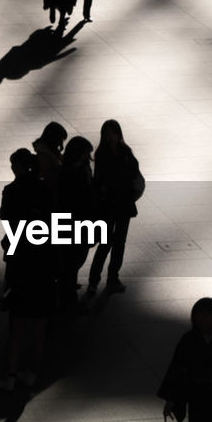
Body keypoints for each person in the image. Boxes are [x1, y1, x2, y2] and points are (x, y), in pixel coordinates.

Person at [0, 148, 54, 391]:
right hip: (41, 272)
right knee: (39, 328)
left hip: (19, 270)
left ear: (18, 166)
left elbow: (4, 217)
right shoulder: (43, 189)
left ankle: (11, 374)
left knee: (17, 327)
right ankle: (32, 371)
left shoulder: (11, 191)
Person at [86, 119, 141, 297]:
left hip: (121, 205)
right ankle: (95, 280)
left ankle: (111, 278)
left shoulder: (124, 152)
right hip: (110, 206)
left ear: (118, 134)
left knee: (118, 244)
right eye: (107, 134)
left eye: (112, 133)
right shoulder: (104, 154)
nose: (110, 137)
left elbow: (133, 172)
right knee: (106, 243)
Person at [56, 135, 97, 310]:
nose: (88, 158)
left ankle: (67, 294)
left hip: (76, 223)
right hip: (75, 224)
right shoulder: (72, 174)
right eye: (85, 154)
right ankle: (69, 299)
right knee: (73, 262)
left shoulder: (72, 171)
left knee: (72, 262)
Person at [32, 121, 69, 193]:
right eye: (61, 139)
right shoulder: (45, 155)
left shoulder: (48, 152)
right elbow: (48, 176)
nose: (61, 142)